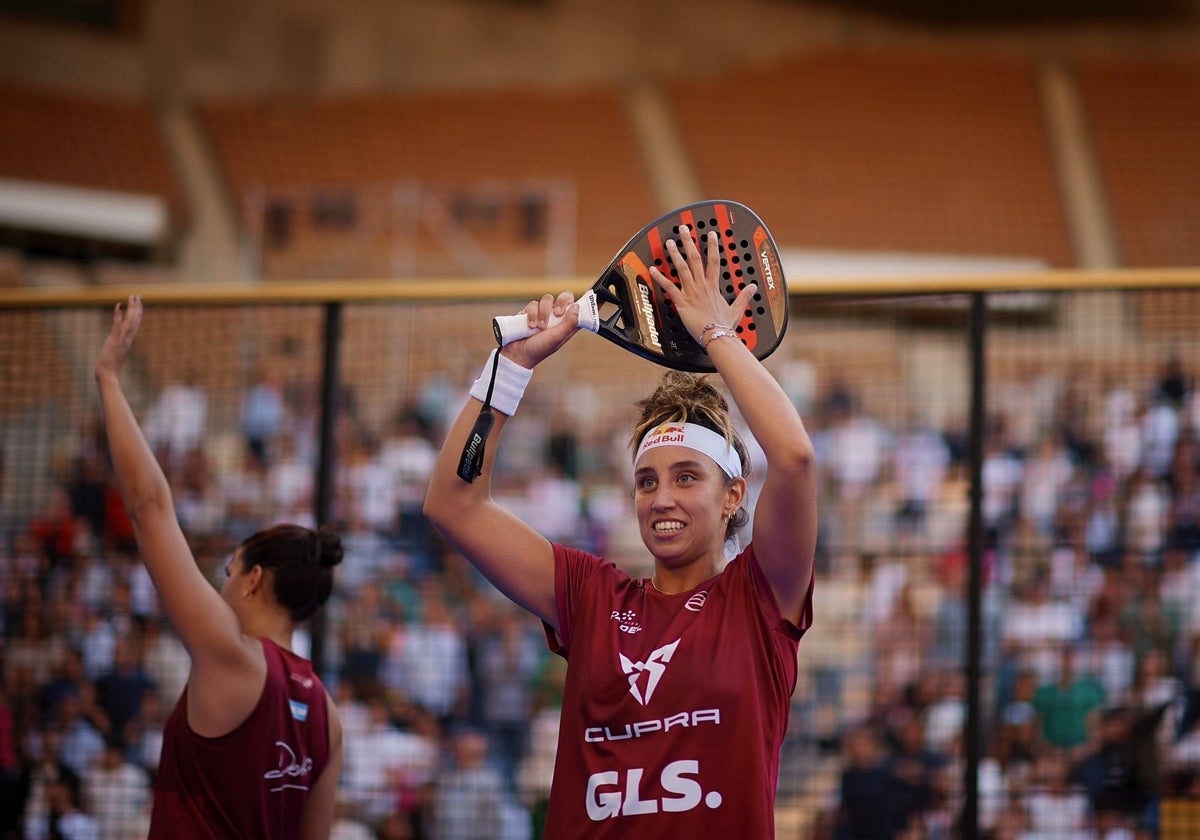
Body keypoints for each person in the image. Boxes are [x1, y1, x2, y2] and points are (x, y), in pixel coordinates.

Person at [424, 226, 817, 837]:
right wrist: (512, 366)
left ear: (733, 495)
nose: (662, 498)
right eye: (647, 481)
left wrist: (716, 333)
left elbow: (793, 458)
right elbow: (455, 505)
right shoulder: (592, 597)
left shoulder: (759, 600)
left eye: (687, 478)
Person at [94, 295, 345, 839]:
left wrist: (110, 379)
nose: (222, 584)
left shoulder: (230, 656)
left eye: (229, 571)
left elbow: (149, 508)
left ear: (255, 579)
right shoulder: (325, 711)